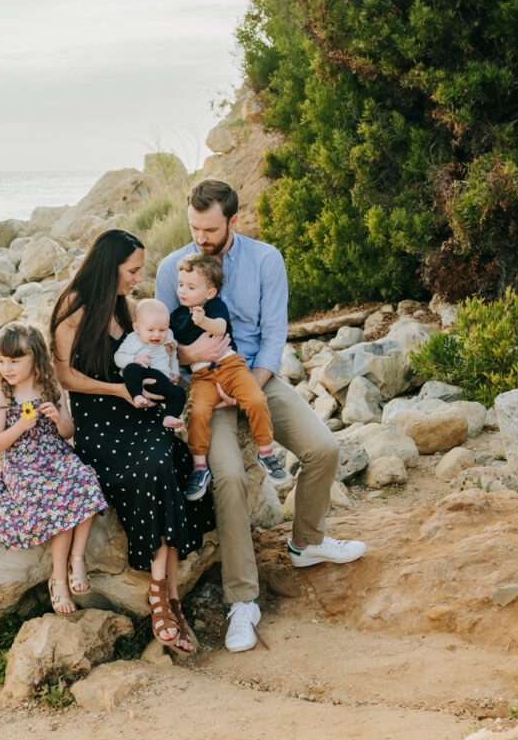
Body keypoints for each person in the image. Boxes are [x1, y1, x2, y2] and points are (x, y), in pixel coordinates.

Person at [156, 178, 366, 653]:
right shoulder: (173, 268)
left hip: (259, 377)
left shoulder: (266, 259)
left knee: (324, 448)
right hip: (206, 384)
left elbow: (274, 333)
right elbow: (164, 342)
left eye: (210, 229)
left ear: (234, 220)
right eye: (194, 227)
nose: (200, 238)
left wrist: (251, 380)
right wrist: (197, 364)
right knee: (227, 476)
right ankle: (243, 601)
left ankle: (306, 542)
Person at [50, 229, 213, 654]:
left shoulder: (126, 310)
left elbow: (153, 351)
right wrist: (119, 392)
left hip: (137, 409)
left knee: (168, 459)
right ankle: (168, 599)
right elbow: (65, 377)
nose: (138, 279)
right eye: (132, 270)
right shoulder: (73, 307)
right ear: (110, 267)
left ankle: (162, 592)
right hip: (99, 418)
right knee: (151, 467)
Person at [0, 322, 107, 615]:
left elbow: (67, 431)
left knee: (85, 479)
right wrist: (19, 426)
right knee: (55, 500)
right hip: (23, 466)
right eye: (2, 361)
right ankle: (57, 578)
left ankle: (77, 559)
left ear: (36, 358)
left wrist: (56, 418)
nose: (7, 368)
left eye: (15, 360)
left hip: (55, 456)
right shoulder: (2, 396)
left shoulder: (51, 389)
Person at [169, 252, 288, 499]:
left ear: (210, 292)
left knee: (255, 399)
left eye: (190, 287)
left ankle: (265, 452)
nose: (183, 291)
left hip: (231, 366)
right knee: (198, 412)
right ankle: (200, 466)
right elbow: (170, 344)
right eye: (180, 284)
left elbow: (221, 328)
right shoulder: (176, 317)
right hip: (202, 376)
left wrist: (203, 321)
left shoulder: (213, 307)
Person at [113, 298, 184, 428]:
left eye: (162, 330)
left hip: (161, 380)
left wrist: (174, 370)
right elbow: (118, 357)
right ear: (137, 328)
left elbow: (173, 354)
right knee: (131, 369)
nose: (157, 335)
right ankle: (137, 396)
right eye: (150, 330)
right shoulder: (133, 339)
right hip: (141, 375)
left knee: (179, 392)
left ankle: (169, 416)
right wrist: (134, 359)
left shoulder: (169, 336)